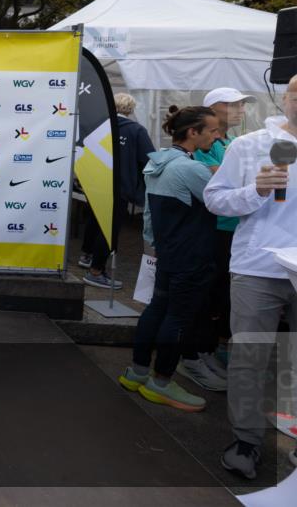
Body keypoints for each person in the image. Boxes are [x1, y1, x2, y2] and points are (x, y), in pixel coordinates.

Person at [204, 74, 297, 480]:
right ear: (284, 97)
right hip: (258, 267)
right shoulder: (249, 146)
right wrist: (256, 191)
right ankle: (246, 441)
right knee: (249, 357)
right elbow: (214, 197)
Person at [118, 106, 221, 411]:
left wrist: (152, 244)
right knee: (178, 317)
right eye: (212, 131)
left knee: (158, 308)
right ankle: (161, 383)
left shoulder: (160, 162)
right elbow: (224, 202)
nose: (217, 137)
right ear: (193, 132)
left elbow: (152, 212)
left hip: (167, 251)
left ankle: (137, 373)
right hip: (191, 255)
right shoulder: (191, 169)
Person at [192, 87, 255, 370]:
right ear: (215, 107)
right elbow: (211, 176)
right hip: (214, 227)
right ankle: (202, 349)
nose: (242, 109)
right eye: (236, 104)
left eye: (242, 104)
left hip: (234, 227)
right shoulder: (207, 140)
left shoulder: (234, 141)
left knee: (226, 290)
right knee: (212, 287)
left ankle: (217, 344)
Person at [79, 93, 155, 289]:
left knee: (95, 220)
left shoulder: (98, 127)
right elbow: (149, 160)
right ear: (130, 109)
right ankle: (96, 271)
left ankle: (86, 255)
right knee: (109, 230)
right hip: (119, 188)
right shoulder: (136, 130)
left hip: (95, 184)